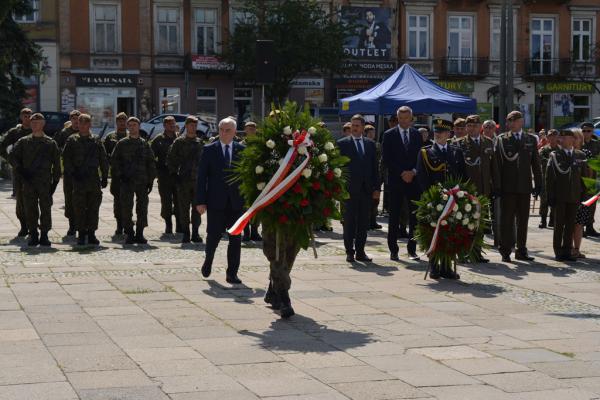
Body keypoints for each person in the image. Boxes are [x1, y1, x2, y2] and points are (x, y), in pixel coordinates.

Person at [195, 117, 245, 285]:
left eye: (228, 130)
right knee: (213, 236)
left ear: (235, 132)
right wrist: (200, 201)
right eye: (221, 130)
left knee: (235, 239)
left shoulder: (242, 150)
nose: (224, 133)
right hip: (216, 201)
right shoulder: (209, 150)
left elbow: (246, 178)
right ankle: (208, 261)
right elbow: (202, 177)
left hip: (236, 203)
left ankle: (232, 273)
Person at [416, 119, 466, 279]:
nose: (438, 135)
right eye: (436, 132)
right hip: (434, 200)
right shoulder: (426, 152)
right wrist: (430, 196)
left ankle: (447, 266)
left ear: (449, 134)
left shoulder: (456, 151)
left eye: (442, 132)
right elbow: (422, 176)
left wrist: (460, 194)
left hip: (452, 200)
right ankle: (434, 266)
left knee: (450, 233)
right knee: (433, 232)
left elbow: (462, 175)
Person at [495, 111, 542, 262]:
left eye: (514, 120)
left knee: (523, 220)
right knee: (506, 220)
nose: (511, 123)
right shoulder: (502, 139)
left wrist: (539, 184)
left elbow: (536, 163)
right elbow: (497, 165)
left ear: (521, 122)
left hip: (524, 186)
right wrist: (498, 185)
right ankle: (505, 250)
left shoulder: (530, 139)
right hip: (507, 187)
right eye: (509, 120)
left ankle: (521, 250)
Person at [11, 113, 61, 247]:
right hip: (28, 182)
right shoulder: (23, 142)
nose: (35, 125)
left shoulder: (50, 143)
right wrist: (20, 170)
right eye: (33, 123)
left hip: (45, 183)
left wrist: (55, 183)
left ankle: (44, 235)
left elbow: (57, 164)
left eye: (38, 122)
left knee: (46, 209)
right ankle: (33, 234)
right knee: (30, 209)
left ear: (43, 124)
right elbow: (13, 157)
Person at [455, 114, 499, 263]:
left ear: (480, 126)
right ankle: (462, 253)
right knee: (464, 222)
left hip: (484, 189)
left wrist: (495, 186)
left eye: (475, 125)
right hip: (466, 190)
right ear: (466, 127)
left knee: (480, 224)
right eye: (470, 125)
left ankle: (476, 252)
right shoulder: (459, 143)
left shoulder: (488, 142)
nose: (472, 128)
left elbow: (494, 167)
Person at [337, 115, 380, 263]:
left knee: (363, 222)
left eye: (357, 125)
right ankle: (350, 251)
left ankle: (360, 251)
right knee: (349, 222)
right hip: (348, 190)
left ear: (362, 127)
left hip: (366, 190)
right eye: (352, 125)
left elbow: (375, 167)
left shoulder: (370, 144)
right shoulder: (342, 144)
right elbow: (338, 168)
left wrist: (376, 188)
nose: (354, 128)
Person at [382, 106, 422, 261]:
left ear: (411, 118)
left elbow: (420, 156)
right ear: (397, 118)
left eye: (406, 118)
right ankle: (393, 249)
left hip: (413, 181)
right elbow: (387, 159)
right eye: (401, 118)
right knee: (394, 216)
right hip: (396, 181)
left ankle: (412, 249)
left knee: (414, 217)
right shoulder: (389, 134)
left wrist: (412, 171)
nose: (404, 121)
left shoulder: (417, 134)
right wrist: (402, 173)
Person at [62, 114, 109, 246]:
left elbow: (103, 159)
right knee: (79, 207)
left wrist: (104, 176)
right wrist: (73, 174)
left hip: (93, 179)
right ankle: (81, 233)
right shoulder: (72, 140)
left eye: (85, 124)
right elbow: (66, 159)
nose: (82, 126)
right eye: (80, 124)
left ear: (89, 125)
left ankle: (91, 233)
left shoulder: (96, 140)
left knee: (94, 208)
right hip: (78, 180)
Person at [111, 117, 156, 245]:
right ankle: (129, 233)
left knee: (142, 208)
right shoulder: (122, 143)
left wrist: (150, 180)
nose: (132, 127)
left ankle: (140, 233)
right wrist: (120, 176)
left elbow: (151, 162)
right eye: (129, 125)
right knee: (126, 208)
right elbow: (115, 162)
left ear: (139, 126)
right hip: (127, 181)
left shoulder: (144, 144)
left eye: (134, 125)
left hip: (142, 181)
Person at [545, 130, 586, 262]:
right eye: (560, 137)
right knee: (559, 224)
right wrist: (550, 196)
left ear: (572, 139)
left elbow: (584, 178)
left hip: (574, 196)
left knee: (570, 225)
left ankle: (567, 250)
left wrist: (584, 195)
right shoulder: (555, 155)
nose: (561, 139)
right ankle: (558, 251)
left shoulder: (580, 155)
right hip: (560, 196)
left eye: (564, 137)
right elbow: (549, 178)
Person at [168, 116, 204, 243]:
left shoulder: (200, 143)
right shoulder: (179, 142)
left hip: (197, 181)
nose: (193, 127)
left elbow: (204, 163)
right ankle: (186, 233)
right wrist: (174, 174)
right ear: (186, 126)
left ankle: (195, 232)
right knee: (183, 208)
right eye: (191, 125)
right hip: (183, 180)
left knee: (197, 208)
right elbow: (171, 159)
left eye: (195, 125)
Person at [0, 108, 33, 236]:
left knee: (34, 199)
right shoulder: (15, 132)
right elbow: (2, 146)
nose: (27, 117)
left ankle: (33, 225)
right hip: (19, 170)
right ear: (21, 117)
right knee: (20, 200)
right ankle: (24, 226)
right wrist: (11, 161)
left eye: (29, 115)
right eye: (25, 115)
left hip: (35, 171)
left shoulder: (35, 130)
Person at [151, 116, 180, 234]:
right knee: (166, 202)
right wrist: (158, 169)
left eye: (173, 124)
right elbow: (151, 157)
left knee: (179, 202)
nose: (172, 126)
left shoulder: (179, 139)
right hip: (164, 176)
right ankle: (168, 224)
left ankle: (180, 225)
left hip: (178, 176)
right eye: (169, 124)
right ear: (164, 126)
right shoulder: (158, 140)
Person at [54, 109, 81, 236]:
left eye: (78, 118)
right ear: (70, 119)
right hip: (69, 171)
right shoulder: (64, 133)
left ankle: (83, 225)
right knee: (69, 199)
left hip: (83, 171)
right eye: (73, 119)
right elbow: (55, 147)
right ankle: (72, 225)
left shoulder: (84, 131)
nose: (76, 121)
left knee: (83, 199)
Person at [103, 112, 128, 235]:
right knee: (118, 201)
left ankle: (127, 223)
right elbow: (104, 154)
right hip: (117, 175)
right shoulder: (110, 137)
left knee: (128, 200)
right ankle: (119, 224)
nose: (122, 123)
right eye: (119, 120)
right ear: (116, 122)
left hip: (130, 175)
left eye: (124, 120)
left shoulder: (131, 135)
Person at [572, 128, 594, 258]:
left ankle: (576, 249)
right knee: (568, 222)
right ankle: (568, 247)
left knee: (579, 223)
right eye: (572, 137)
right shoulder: (566, 153)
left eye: (576, 137)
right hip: (569, 193)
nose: (574, 140)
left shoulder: (585, 153)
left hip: (582, 193)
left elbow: (590, 174)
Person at [241, 121, 262, 241]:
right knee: (244, 208)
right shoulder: (241, 145)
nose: (251, 131)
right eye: (249, 129)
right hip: (245, 180)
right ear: (245, 130)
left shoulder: (260, 145)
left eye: (253, 129)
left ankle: (255, 231)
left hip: (257, 180)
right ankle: (246, 232)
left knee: (256, 207)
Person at [581, 121, 600, 237]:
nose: (586, 133)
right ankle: (580, 227)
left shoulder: (596, 144)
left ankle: (589, 226)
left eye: (588, 131)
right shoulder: (578, 143)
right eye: (584, 131)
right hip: (581, 178)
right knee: (582, 203)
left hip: (593, 178)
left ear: (592, 131)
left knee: (592, 203)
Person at [538, 129, 559, 229]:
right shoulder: (544, 149)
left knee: (556, 198)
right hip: (545, 178)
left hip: (557, 179)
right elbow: (542, 161)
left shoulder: (560, 150)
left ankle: (552, 219)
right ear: (547, 137)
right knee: (544, 200)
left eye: (555, 135)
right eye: (550, 135)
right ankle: (543, 220)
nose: (553, 137)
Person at [365, 124, 382, 230]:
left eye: (373, 133)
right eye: (370, 133)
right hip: (367, 176)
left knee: (376, 200)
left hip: (377, 175)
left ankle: (373, 221)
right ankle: (366, 221)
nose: (372, 135)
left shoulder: (377, 145)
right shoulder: (364, 144)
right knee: (367, 200)